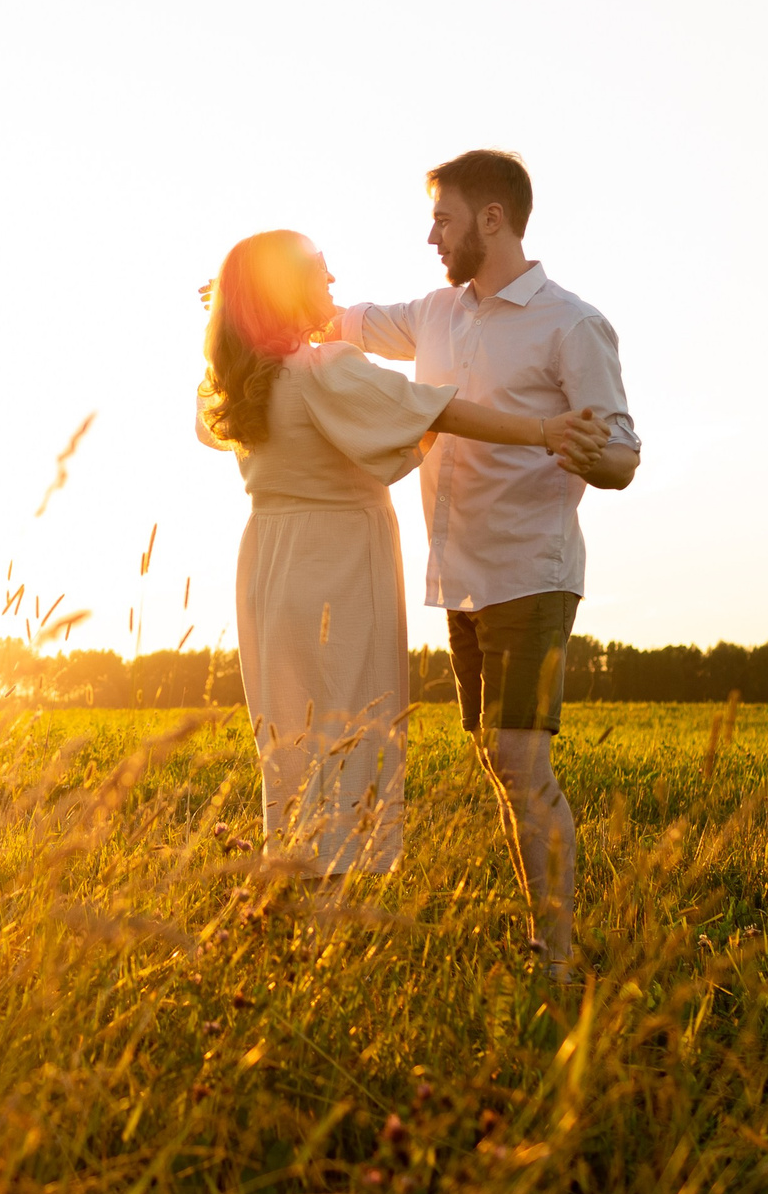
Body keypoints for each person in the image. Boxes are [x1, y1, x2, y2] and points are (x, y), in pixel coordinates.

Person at [198, 229, 609, 882]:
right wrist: (542, 428)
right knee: (346, 738)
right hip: (336, 565)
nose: (333, 285)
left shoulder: (232, 383)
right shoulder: (326, 369)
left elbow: (226, 395)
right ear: (285, 289)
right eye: (320, 274)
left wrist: (237, 309)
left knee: (290, 748)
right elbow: (438, 410)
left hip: (269, 568)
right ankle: (328, 912)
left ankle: (295, 903)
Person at [331, 149, 639, 982]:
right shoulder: (434, 312)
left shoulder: (571, 323)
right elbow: (344, 321)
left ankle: (560, 958)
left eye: (444, 219)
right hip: (459, 573)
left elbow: (622, 454)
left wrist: (590, 452)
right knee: (500, 759)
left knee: (521, 759)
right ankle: (546, 940)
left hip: (531, 570)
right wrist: (257, 308)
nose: (431, 235)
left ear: (492, 219)